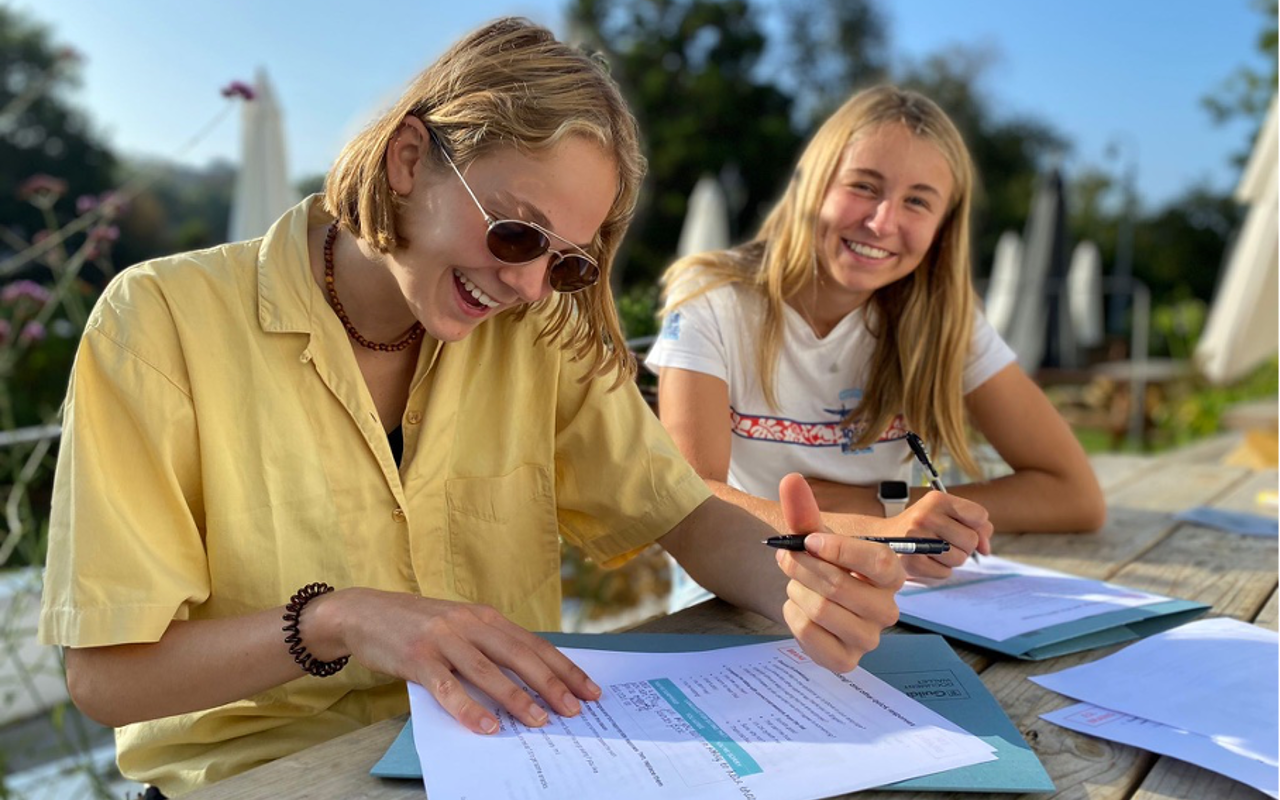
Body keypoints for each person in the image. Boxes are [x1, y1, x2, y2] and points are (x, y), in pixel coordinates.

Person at [37, 20, 904, 797]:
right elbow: (106, 679)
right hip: (261, 781)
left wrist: (803, 589)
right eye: (516, 232)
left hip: (510, 761)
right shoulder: (160, 321)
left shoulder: (539, 333)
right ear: (409, 159)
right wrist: (338, 620)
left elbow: (682, 512)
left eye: (566, 263)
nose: (527, 285)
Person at [647, 85, 1105, 601]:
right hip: (727, 595)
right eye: (864, 186)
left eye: (917, 201)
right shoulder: (713, 298)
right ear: (813, 184)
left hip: (890, 597)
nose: (883, 222)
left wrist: (884, 504)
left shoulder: (946, 320)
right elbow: (690, 497)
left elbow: (1075, 495)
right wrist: (884, 531)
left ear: (943, 228)